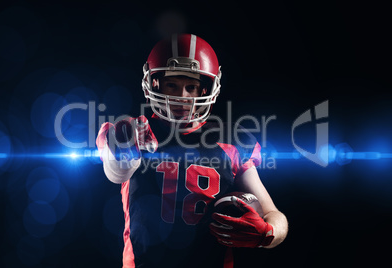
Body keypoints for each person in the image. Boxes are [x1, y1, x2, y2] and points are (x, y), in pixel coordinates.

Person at [96, 34, 288, 268]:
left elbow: (275, 216)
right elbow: (116, 172)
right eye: (172, 85)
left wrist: (267, 234)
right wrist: (124, 150)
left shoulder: (231, 143)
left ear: (205, 90)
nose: (181, 97)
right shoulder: (134, 131)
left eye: (191, 87)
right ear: (154, 83)